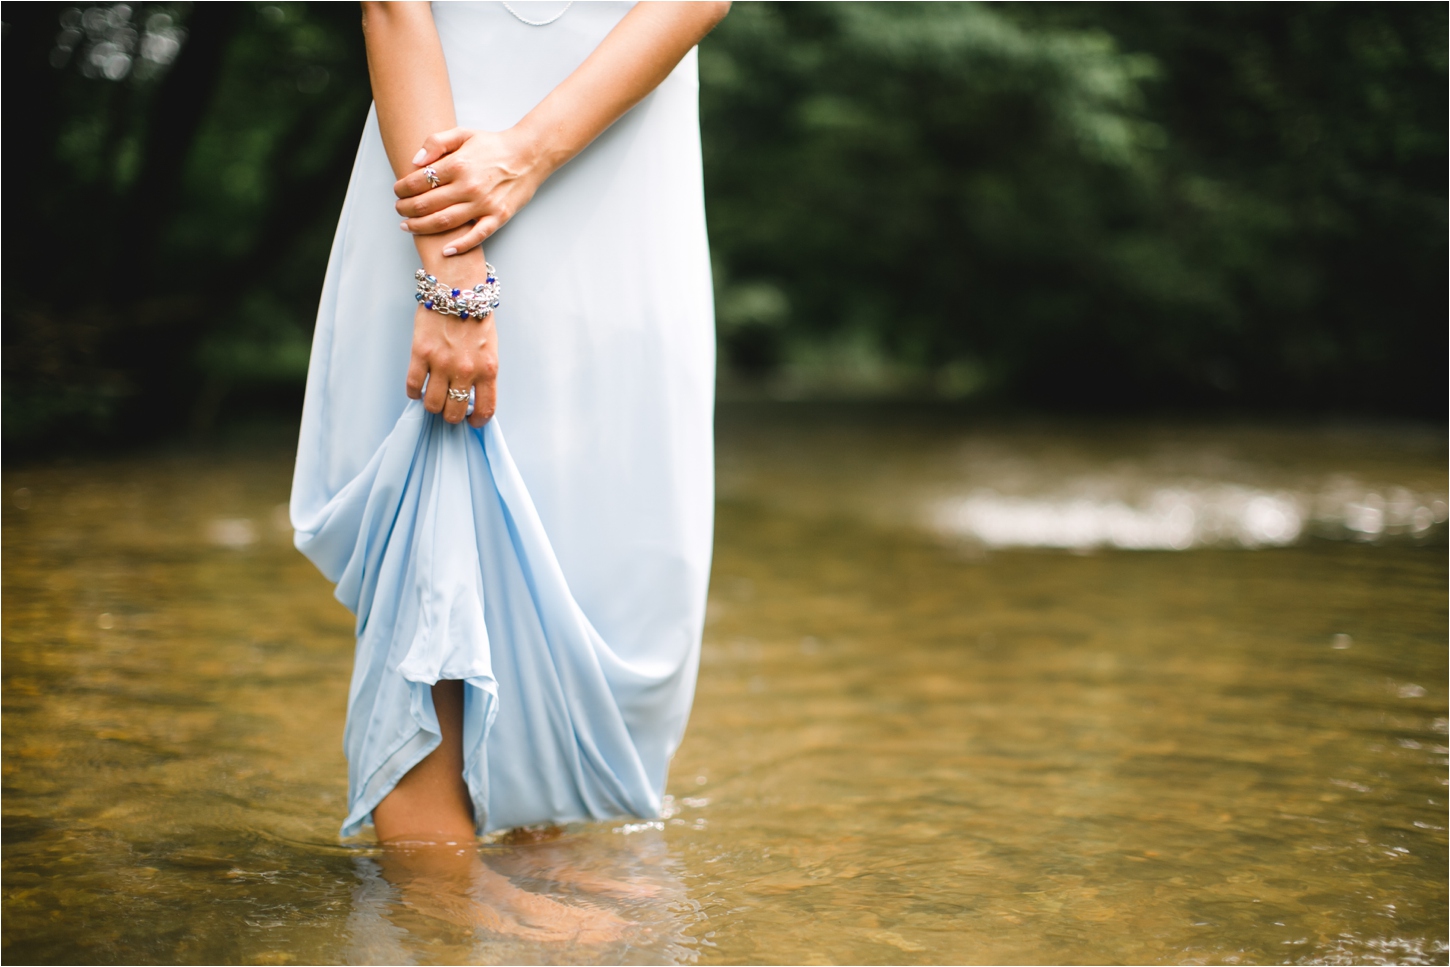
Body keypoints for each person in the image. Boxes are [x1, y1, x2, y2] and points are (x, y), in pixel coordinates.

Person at [289, 0, 728, 938]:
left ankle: (533, 861)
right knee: (442, 545)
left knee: (599, 556)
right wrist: (452, 270)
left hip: (622, 179)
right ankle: (440, 914)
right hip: (442, 161)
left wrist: (530, 151)